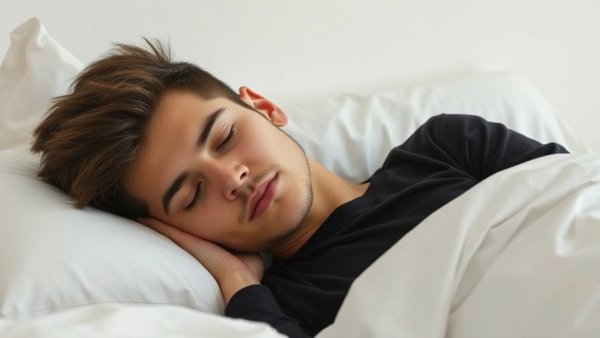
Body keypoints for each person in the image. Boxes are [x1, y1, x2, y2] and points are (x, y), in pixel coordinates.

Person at [30, 40, 568, 338]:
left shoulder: (447, 146)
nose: (231, 179)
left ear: (262, 107)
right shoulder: (280, 306)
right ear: (171, 231)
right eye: (190, 196)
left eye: (225, 137)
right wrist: (237, 283)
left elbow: (573, 198)